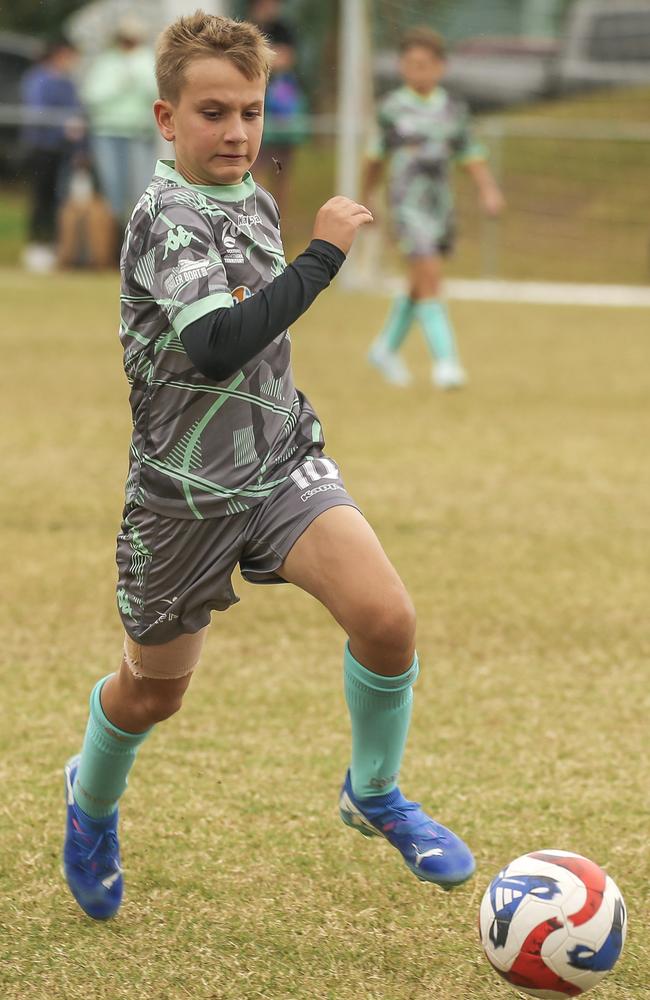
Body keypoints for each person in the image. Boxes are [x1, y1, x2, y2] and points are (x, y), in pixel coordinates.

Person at [62, 11, 475, 922]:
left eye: (250, 111)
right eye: (214, 112)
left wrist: (303, 255)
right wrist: (323, 254)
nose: (238, 132)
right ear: (167, 120)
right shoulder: (163, 213)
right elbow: (213, 343)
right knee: (150, 697)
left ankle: (373, 793)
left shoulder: (251, 195)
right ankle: (89, 806)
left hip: (281, 461)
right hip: (184, 497)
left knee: (388, 618)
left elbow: (258, 335)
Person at [363, 27, 505, 390]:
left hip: (440, 206)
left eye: (424, 65)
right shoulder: (392, 108)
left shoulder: (452, 109)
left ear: (440, 67)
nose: (417, 71)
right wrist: (365, 197)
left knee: (420, 280)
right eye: (410, 64)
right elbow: (375, 157)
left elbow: (470, 153)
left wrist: (488, 189)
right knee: (429, 275)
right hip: (405, 204)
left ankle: (384, 349)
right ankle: (447, 364)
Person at [81, 14, 158, 234]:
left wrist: (134, 76)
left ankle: (138, 239)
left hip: (139, 134)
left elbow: (155, 93)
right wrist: (120, 85)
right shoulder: (106, 62)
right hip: (107, 132)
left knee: (140, 190)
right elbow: (91, 96)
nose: (128, 42)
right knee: (112, 190)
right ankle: (112, 241)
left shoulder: (147, 60)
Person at [20, 37, 85, 273]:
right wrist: (63, 126)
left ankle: (56, 246)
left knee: (59, 199)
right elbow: (38, 112)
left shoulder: (68, 82)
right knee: (41, 198)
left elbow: (77, 111)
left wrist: (79, 147)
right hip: (42, 148)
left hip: (63, 150)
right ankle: (36, 246)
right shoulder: (38, 79)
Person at [253, 24, 308, 218]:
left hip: (285, 139)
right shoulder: (261, 80)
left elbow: (296, 108)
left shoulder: (292, 81)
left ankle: (276, 221)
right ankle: (256, 215)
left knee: (282, 180)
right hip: (265, 138)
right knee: (256, 177)